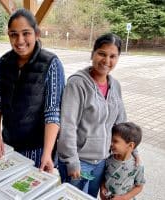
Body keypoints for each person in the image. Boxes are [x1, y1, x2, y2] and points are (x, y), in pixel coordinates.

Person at [57, 33, 135, 198]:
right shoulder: (77, 84)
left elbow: (121, 124)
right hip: (79, 161)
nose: (107, 61)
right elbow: (68, 126)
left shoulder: (115, 86)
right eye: (102, 54)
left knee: (92, 197)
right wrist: (72, 161)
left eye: (113, 56)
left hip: (102, 161)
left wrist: (131, 152)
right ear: (93, 53)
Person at [0, 8, 65, 172]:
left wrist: (47, 153)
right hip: (8, 144)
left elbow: (52, 112)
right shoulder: (2, 63)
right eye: (13, 34)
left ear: (36, 34)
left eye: (26, 33)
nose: (20, 40)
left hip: (37, 149)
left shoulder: (51, 63)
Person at [100, 122, 145, 200]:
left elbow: (139, 186)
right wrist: (102, 188)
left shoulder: (137, 166)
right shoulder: (108, 159)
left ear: (130, 145)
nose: (111, 144)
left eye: (115, 141)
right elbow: (103, 177)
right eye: (111, 140)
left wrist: (123, 198)